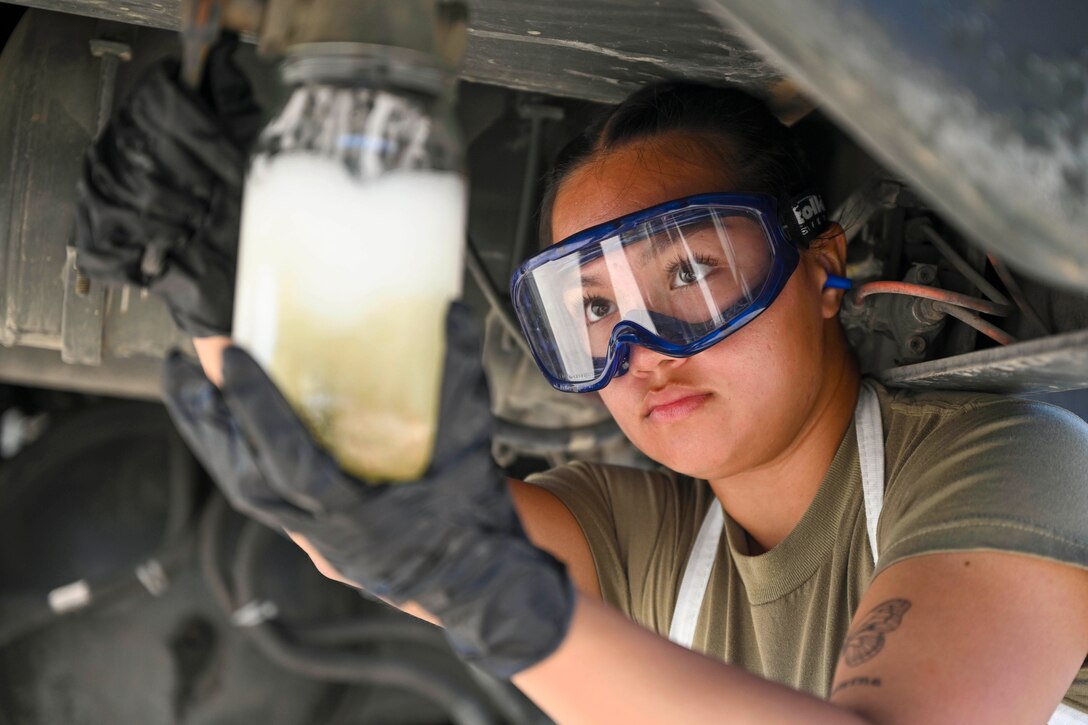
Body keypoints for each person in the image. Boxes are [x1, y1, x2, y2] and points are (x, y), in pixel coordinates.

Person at [75, 41, 1088, 724]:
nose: (640, 345)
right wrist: (219, 288)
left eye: (689, 273)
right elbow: (363, 506)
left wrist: (501, 601)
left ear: (819, 266)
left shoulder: (1012, 457)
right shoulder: (640, 536)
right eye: (593, 309)